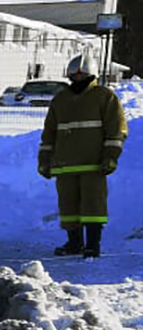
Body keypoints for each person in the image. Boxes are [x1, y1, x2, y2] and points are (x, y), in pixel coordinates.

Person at [37, 54, 127, 259]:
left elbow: (116, 130)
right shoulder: (60, 99)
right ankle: (74, 243)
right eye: (74, 76)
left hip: (94, 165)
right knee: (68, 207)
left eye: (82, 76)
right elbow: (49, 133)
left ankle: (92, 245)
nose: (78, 79)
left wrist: (111, 157)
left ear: (91, 75)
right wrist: (44, 160)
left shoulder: (105, 96)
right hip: (64, 165)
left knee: (93, 206)